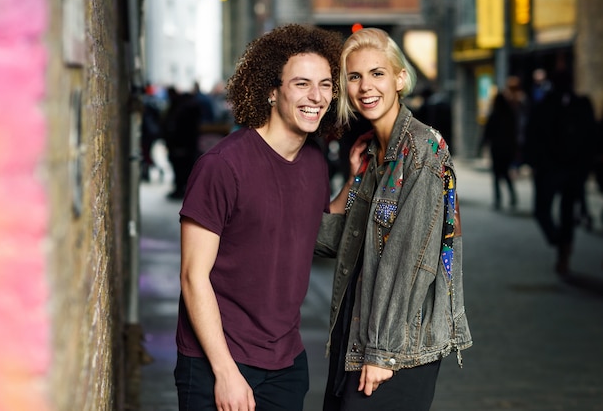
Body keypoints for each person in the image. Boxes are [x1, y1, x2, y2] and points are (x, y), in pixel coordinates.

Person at [173, 24, 343, 411]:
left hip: (286, 362)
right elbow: (192, 275)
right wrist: (226, 372)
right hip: (218, 361)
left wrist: (357, 177)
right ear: (271, 90)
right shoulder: (222, 166)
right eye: (301, 84)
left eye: (325, 84)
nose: (316, 96)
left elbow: (308, 230)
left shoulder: (315, 160)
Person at [314, 27, 472, 411]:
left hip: (395, 345)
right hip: (359, 331)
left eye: (377, 73)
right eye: (355, 76)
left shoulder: (422, 150)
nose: (365, 86)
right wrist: (352, 180)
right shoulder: (373, 155)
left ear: (401, 78)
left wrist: (381, 353)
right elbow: (330, 241)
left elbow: (410, 261)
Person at [526, 69, 598, 276]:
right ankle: (562, 246)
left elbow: (533, 135)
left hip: (558, 168)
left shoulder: (547, 105)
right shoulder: (577, 104)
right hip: (563, 168)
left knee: (551, 211)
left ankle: (562, 250)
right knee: (561, 212)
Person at [480, 76, 527, 210]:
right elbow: (514, 132)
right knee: (506, 174)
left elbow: (487, 133)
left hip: (497, 149)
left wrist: (482, 145)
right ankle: (512, 196)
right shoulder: (510, 115)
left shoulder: (494, 115)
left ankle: (498, 200)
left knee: (496, 175)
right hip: (507, 148)